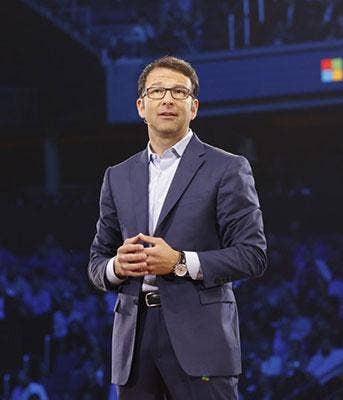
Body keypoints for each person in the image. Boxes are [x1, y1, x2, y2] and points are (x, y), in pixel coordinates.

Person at [88, 55, 267, 400]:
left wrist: (180, 262)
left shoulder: (227, 168)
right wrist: (116, 267)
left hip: (201, 340)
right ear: (141, 107)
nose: (167, 99)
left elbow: (253, 255)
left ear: (193, 107)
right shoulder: (117, 176)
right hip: (134, 343)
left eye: (179, 92)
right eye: (157, 91)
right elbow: (97, 261)